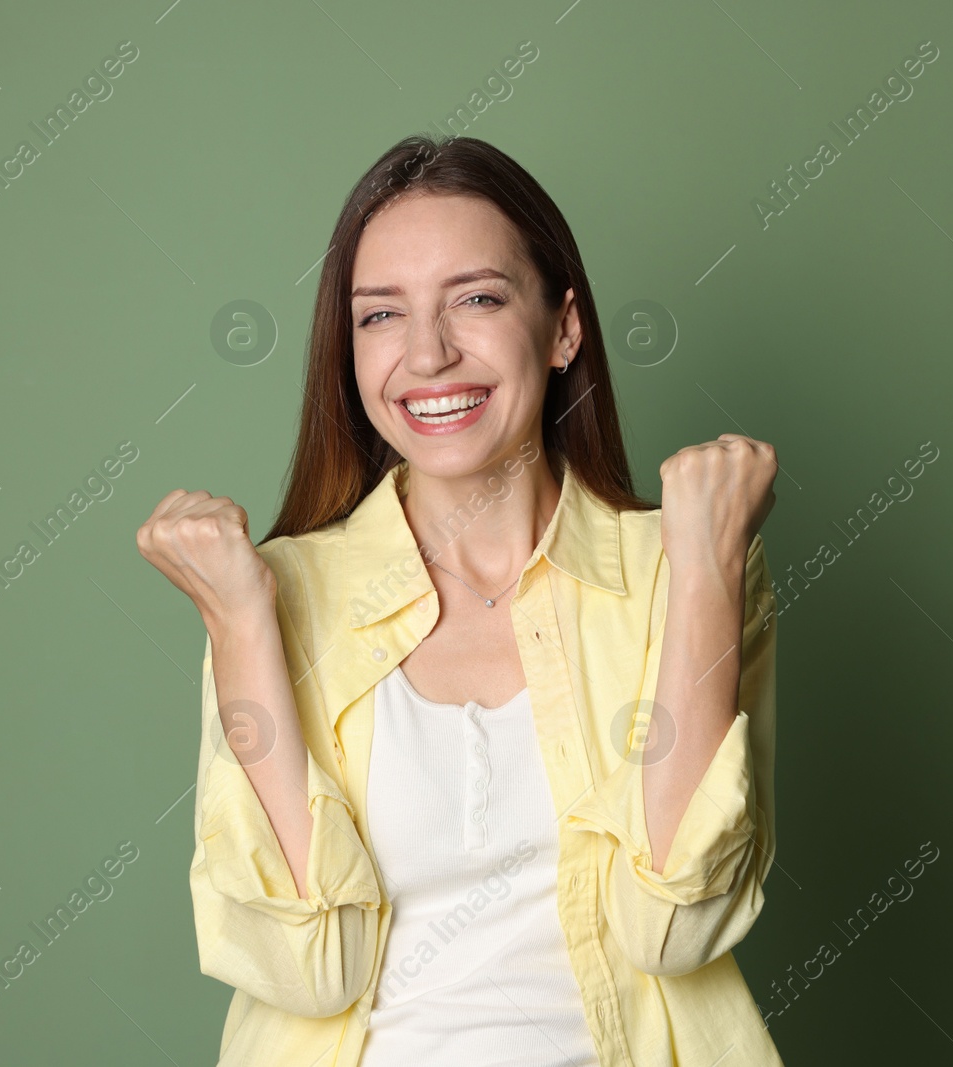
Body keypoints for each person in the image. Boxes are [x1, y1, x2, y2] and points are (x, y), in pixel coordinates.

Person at [136, 134, 782, 1066]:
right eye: (380, 316)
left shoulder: (687, 566)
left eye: (476, 299)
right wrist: (241, 622)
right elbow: (310, 968)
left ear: (565, 329)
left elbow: (674, 928)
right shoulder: (268, 591)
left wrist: (708, 567)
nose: (428, 355)